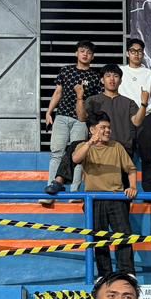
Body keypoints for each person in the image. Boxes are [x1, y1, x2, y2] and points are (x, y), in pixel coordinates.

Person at [71, 114, 138, 278]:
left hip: (116, 198)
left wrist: (133, 187)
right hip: (94, 199)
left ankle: (127, 273)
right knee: (99, 238)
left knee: (123, 236)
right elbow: (75, 159)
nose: (107, 130)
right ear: (92, 130)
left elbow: (131, 169)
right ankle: (104, 274)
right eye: (103, 127)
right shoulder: (83, 146)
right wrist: (89, 143)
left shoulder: (117, 146)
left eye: (109, 127)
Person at [43, 39, 99, 196]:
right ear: (76, 53)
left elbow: (96, 101)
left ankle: (75, 192)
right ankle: (51, 188)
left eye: (89, 52)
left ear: (93, 56)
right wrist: (48, 112)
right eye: (82, 51)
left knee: (78, 154)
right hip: (62, 116)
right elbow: (58, 92)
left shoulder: (95, 76)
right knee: (57, 152)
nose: (85, 54)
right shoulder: (66, 71)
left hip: (81, 120)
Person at [80, 63, 148, 160]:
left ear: (120, 81)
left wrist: (144, 104)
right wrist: (79, 98)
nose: (112, 79)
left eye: (116, 76)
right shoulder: (92, 100)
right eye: (108, 76)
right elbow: (82, 117)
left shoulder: (129, 102)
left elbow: (137, 122)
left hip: (124, 149)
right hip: (98, 149)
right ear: (102, 80)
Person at [119, 37, 151, 191]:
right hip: (124, 117)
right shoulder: (120, 71)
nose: (136, 54)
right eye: (133, 51)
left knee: (147, 155)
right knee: (124, 154)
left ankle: (148, 190)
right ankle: (123, 190)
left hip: (145, 116)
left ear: (143, 54)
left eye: (139, 51)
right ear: (127, 53)